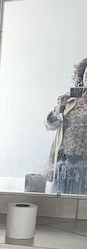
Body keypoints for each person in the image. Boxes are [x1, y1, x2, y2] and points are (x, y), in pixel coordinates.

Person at [45, 58, 87, 195]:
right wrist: (59, 108)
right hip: (64, 160)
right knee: (59, 201)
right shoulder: (70, 98)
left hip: (84, 162)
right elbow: (50, 125)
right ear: (82, 75)